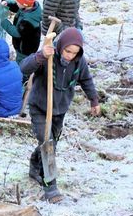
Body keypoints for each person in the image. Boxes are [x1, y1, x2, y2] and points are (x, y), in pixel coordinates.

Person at [20, 27, 100, 203]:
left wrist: (94, 100)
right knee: (48, 144)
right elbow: (24, 68)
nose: (69, 55)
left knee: (50, 142)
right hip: (40, 107)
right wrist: (40, 56)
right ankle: (51, 188)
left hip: (59, 109)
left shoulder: (79, 62)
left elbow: (86, 80)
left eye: (74, 52)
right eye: (67, 51)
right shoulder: (48, 55)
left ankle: (35, 164)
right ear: (61, 46)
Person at [0, 0, 43, 68]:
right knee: (20, 62)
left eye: (18, 1)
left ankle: (23, 79)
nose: (16, 2)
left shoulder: (29, 21)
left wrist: (3, 21)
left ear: (24, 4)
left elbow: (16, 33)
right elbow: (18, 7)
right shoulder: (29, 7)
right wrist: (8, 3)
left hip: (25, 49)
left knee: (23, 66)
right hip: (21, 46)